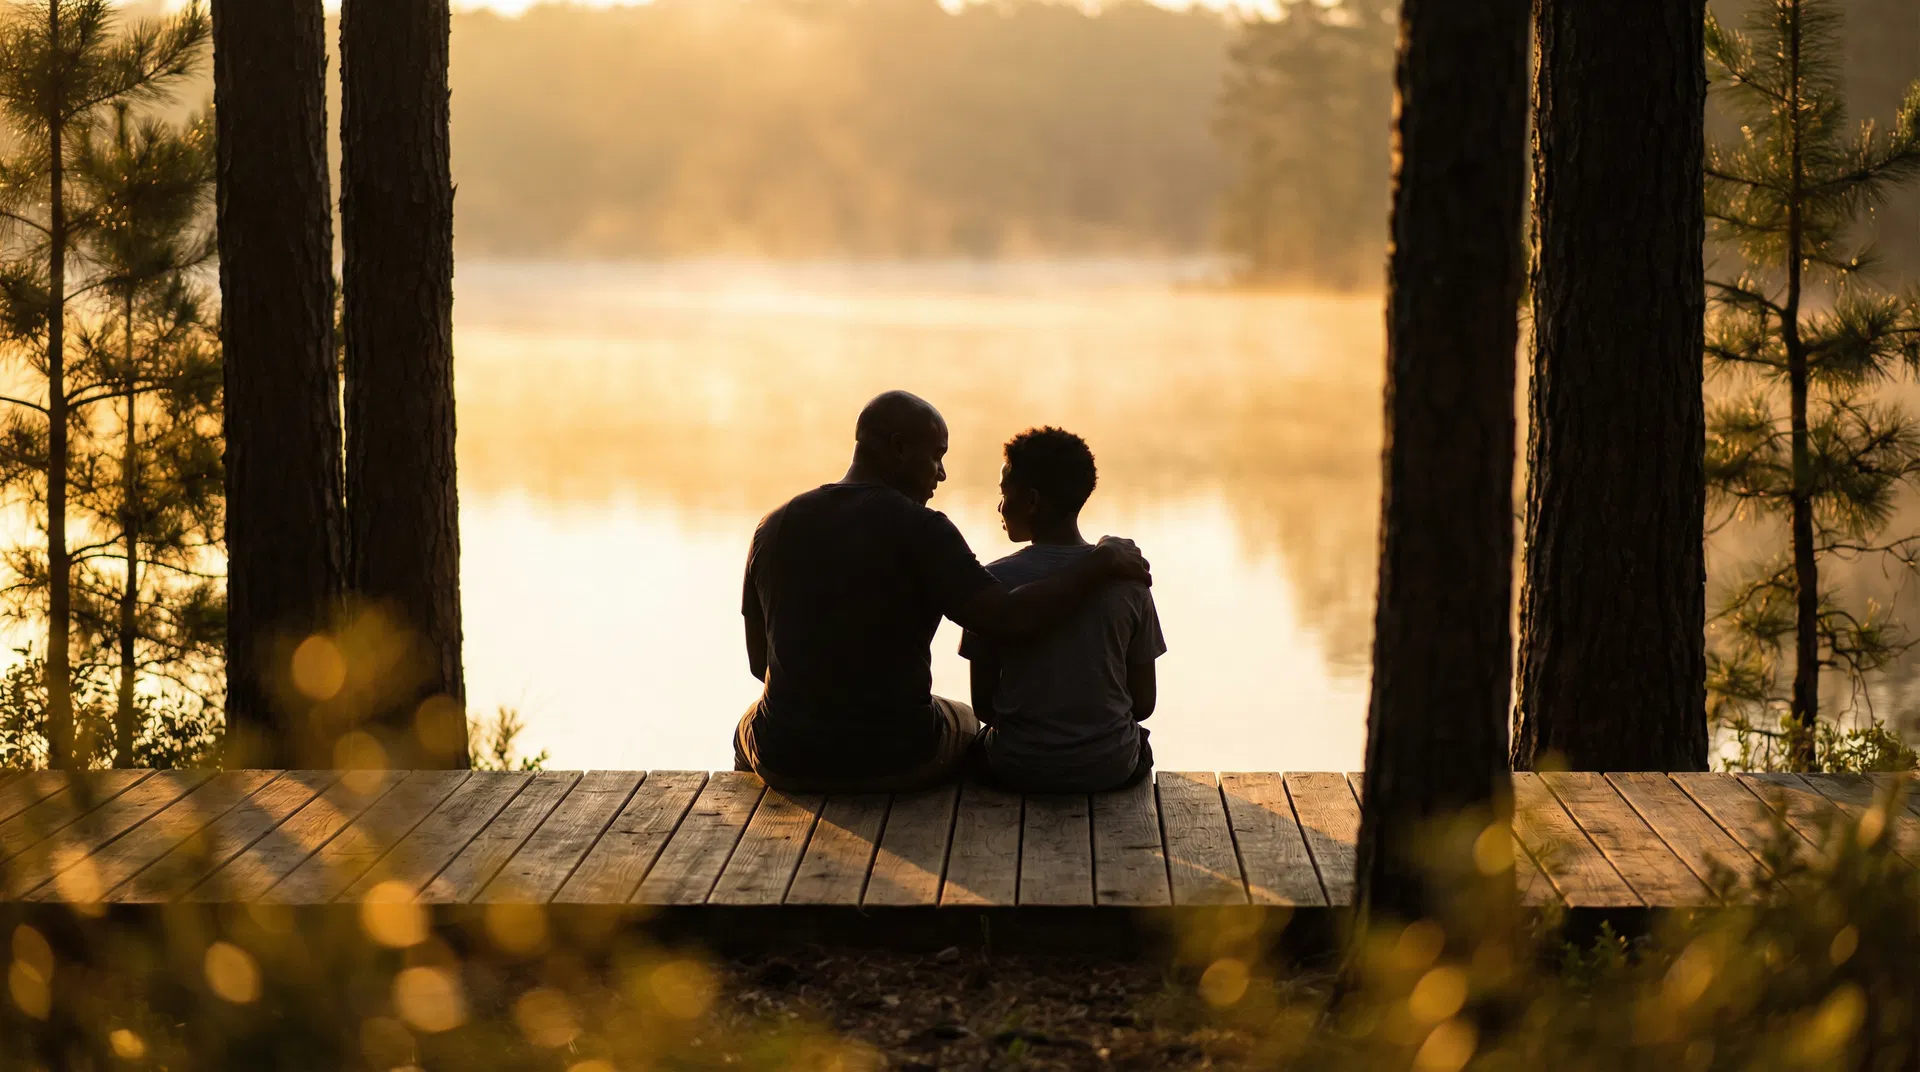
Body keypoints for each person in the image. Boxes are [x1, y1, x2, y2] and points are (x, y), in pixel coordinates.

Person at [735, 391, 1151, 793]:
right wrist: (1100, 562)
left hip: (785, 758)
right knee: (968, 722)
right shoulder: (924, 530)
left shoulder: (773, 526)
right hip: (900, 759)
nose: (942, 473)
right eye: (937, 456)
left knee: (748, 727)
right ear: (898, 448)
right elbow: (1006, 619)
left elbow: (761, 665)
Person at [960, 428, 1165, 793]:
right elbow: (1143, 704)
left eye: (1004, 494)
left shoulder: (990, 582)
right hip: (1110, 766)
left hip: (1017, 766)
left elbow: (984, 707)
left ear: (1033, 501)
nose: (999, 506)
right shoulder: (1130, 579)